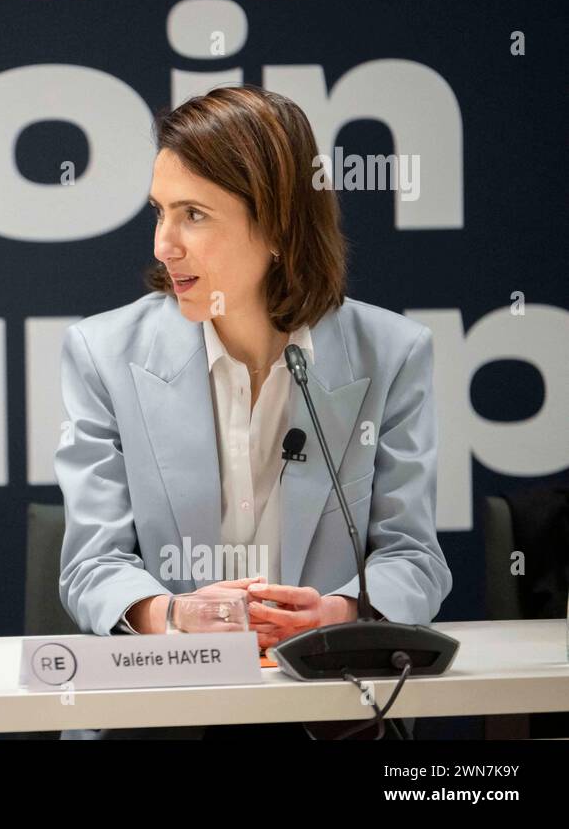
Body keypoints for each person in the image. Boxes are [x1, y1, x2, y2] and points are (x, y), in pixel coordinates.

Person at [55, 85, 451, 738]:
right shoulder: (101, 352)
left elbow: (413, 556)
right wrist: (172, 617)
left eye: (194, 215)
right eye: (159, 212)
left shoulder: (393, 354)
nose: (163, 244)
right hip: (159, 718)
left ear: (276, 224)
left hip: (329, 710)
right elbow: (91, 564)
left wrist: (342, 614)